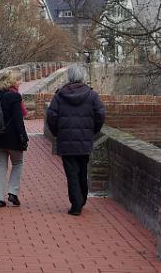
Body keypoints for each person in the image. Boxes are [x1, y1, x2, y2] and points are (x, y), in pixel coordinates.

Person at [47, 65, 105, 216]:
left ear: (69, 77)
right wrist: (93, 131)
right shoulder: (92, 95)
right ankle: (82, 198)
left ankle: (76, 204)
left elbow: (51, 117)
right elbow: (100, 115)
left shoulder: (59, 95)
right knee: (82, 170)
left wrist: (57, 133)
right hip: (85, 139)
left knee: (71, 173)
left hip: (66, 140)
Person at [0, 72, 29, 207]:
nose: (19, 83)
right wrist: (23, 136)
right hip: (12, 138)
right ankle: (12, 192)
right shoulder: (15, 97)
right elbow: (17, 119)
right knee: (17, 163)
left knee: (0, 165)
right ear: (11, 82)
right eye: (17, 80)